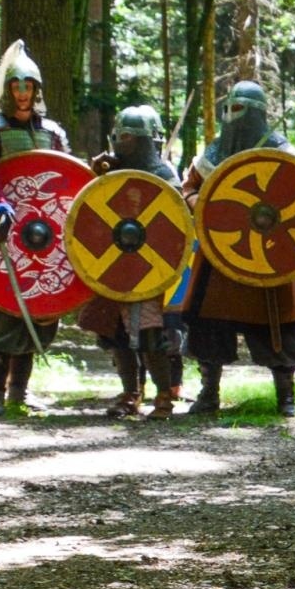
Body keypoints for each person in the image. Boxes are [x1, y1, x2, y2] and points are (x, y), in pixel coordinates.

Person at [181, 79, 295, 418]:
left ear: (256, 113)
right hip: (223, 252)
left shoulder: (284, 154)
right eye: (228, 108)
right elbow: (188, 190)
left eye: (239, 109)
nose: (231, 115)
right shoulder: (211, 155)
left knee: (278, 326)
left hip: (267, 254)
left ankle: (285, 396)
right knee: (209, 324)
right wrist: (202, 202)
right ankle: (209, 393)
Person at [0, 42, 72, 415]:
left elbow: (66, 180)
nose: (23, 93)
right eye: (17, 86)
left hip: (44, 236)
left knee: (36, 310)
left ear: (37, 90)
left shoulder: (54, 133)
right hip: (2, 229)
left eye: (29, 86)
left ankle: (18, 393)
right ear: (9, 90)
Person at [79, 105, 182, 419]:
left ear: (147, 141)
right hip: (115, 264)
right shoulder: (110, 173)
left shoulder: (164, 175)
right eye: (120, 137)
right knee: (118, 333)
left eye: (131, 138)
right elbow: (90, 212)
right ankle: (131, 394)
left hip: (151, 267)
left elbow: (176, 222)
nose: (124, 143)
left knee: (151, 333)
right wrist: (96, 175)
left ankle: (163, 396)